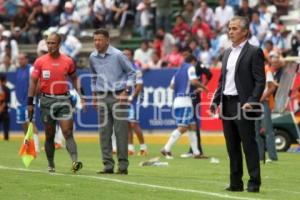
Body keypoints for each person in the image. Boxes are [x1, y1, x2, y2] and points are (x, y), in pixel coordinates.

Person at [210, 16, 265, 193]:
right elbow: (221, 81)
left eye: (234, 28)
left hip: (243, 105)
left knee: (248, 145)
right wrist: (215, 101)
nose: (230, 31)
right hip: (226, 104)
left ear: (245, 31)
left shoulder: (254, 51)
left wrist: (252, 101)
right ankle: (235, 183)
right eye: (229, 28)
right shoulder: (226, 53)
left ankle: (254, 182)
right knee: (232, 147)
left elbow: (260, 81)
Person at [28, 33, 85, 173]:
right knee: (49, 135)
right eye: (48, 43)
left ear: (59, 44)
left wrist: (82, 96)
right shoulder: (40, 61)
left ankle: (75, 161)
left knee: (67, 132)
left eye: (53, 43)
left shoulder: (68, 61)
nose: (50, 46)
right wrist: (30, 102)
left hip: (64, 100)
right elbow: (33, 82)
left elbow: (75, 79)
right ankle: (51, 163)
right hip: (46, 100)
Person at [90, 28, 136, 175]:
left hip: (118, 96)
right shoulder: (92, 57)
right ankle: (108, 165)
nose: (97, 42)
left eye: (100, 39)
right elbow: (93, 77)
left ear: (107, 40)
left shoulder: (118, 55)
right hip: (102, 96)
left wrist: (126, 91)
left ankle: (123, 167)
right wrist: (94, 96)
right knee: (104, 132)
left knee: (120, 131)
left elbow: (133, 73)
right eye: (95, 40)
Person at [160, 54, 208, 159]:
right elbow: (194, 81)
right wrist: (204, 87)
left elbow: (172, 86)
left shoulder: (177, 71)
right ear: (193, 61)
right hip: (185, 100)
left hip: (178, 99)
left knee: (192, 126)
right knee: (183, 127)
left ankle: (196, 153)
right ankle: (166, 148)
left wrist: (187, 88)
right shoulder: (190, 68)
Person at [123, 48, 147, 156]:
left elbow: (139, 85)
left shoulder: (136, 69)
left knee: (134, 124)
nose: (125, 56)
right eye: (124, 54)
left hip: (134, 100)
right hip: (125, 99)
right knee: (127, 124)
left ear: (132, 56)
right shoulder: (122, 69)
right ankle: (130, 148)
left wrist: (132, 97)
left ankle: (143, 148)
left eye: (127, 54)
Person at [15, 52, 40, 151]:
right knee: (23, 125)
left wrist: (33, 97)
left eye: (22, 59)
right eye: (19, 59)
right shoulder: (18, 70)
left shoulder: (31, 69)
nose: (20, 61)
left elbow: (36, 82)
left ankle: (36, 147)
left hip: (29, 101)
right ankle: (28, 145)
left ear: (26, 59)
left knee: (31, 124)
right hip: (19, 102)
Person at [0, 74, 10, 141]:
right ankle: (6, 138)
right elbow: (7, 101)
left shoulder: (6, 89)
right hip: (4, 111)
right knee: (6, 126)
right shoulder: (7, 89)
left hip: (3, 110)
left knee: (6, 125)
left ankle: (6, 137)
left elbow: (6, 101)